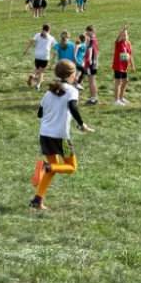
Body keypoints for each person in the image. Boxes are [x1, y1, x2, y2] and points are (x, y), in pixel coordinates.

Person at [29, 60, 94, 210]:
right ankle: (44, 166)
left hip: (45, 134)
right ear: (71, 75)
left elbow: (40, 112)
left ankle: (37, 201)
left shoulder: (49, 91)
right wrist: (82, 124)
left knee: (55, 168)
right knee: (71, 167)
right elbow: (73, 107)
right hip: (60, 136)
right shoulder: (71, 90)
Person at [23, 23, 55, 90]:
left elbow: (31, 42)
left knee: (37, 68)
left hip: (37, 55)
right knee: (41, 71)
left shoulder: (37, 35)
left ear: (42, 28)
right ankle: (38, 85)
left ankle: (32, 75)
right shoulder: (51, 38)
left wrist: (25, 50)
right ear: (49, 30)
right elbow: (56, 46)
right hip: (45, 56)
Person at [111, 24, 135, 106]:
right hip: (118, 65)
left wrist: (132, 65)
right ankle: (116, 100)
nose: (124, 37)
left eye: (125, 35)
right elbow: (117, 39)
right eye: (122, 35)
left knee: (125, 81)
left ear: (128, 36)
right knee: (118, 82)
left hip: (124, 66)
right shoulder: (118, 43)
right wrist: (122, 30)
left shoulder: (128, 45)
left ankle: (121, 97)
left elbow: (129, 55)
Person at [83, 24, 100, 105]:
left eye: (89, 31)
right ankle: (94, 97)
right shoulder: (93, 40)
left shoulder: (92, 40)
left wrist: (89, 58)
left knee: (91, 81)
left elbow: (90, 49)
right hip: (94, 63)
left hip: (91, 64)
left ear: (93, 31)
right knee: (92, 80)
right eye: (87, 31)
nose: (88, 32)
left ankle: (93, 99)